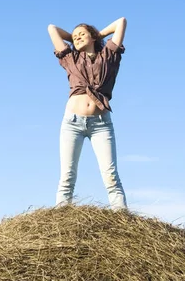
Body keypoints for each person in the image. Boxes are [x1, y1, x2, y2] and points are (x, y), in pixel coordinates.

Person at [47, 18, 128, 210]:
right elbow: (52, 29)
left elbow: (121, 22)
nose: (77, 38)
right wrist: (76, 39)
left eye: (82, 34)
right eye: (74, 37)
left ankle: (123, 222)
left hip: (101, 123)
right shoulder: (70, 58)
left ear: (92, 37)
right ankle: (59, 223)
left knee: (111, 175)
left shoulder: (109, 55)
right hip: (72, 123)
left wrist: (97, 35)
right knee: (67, 176)